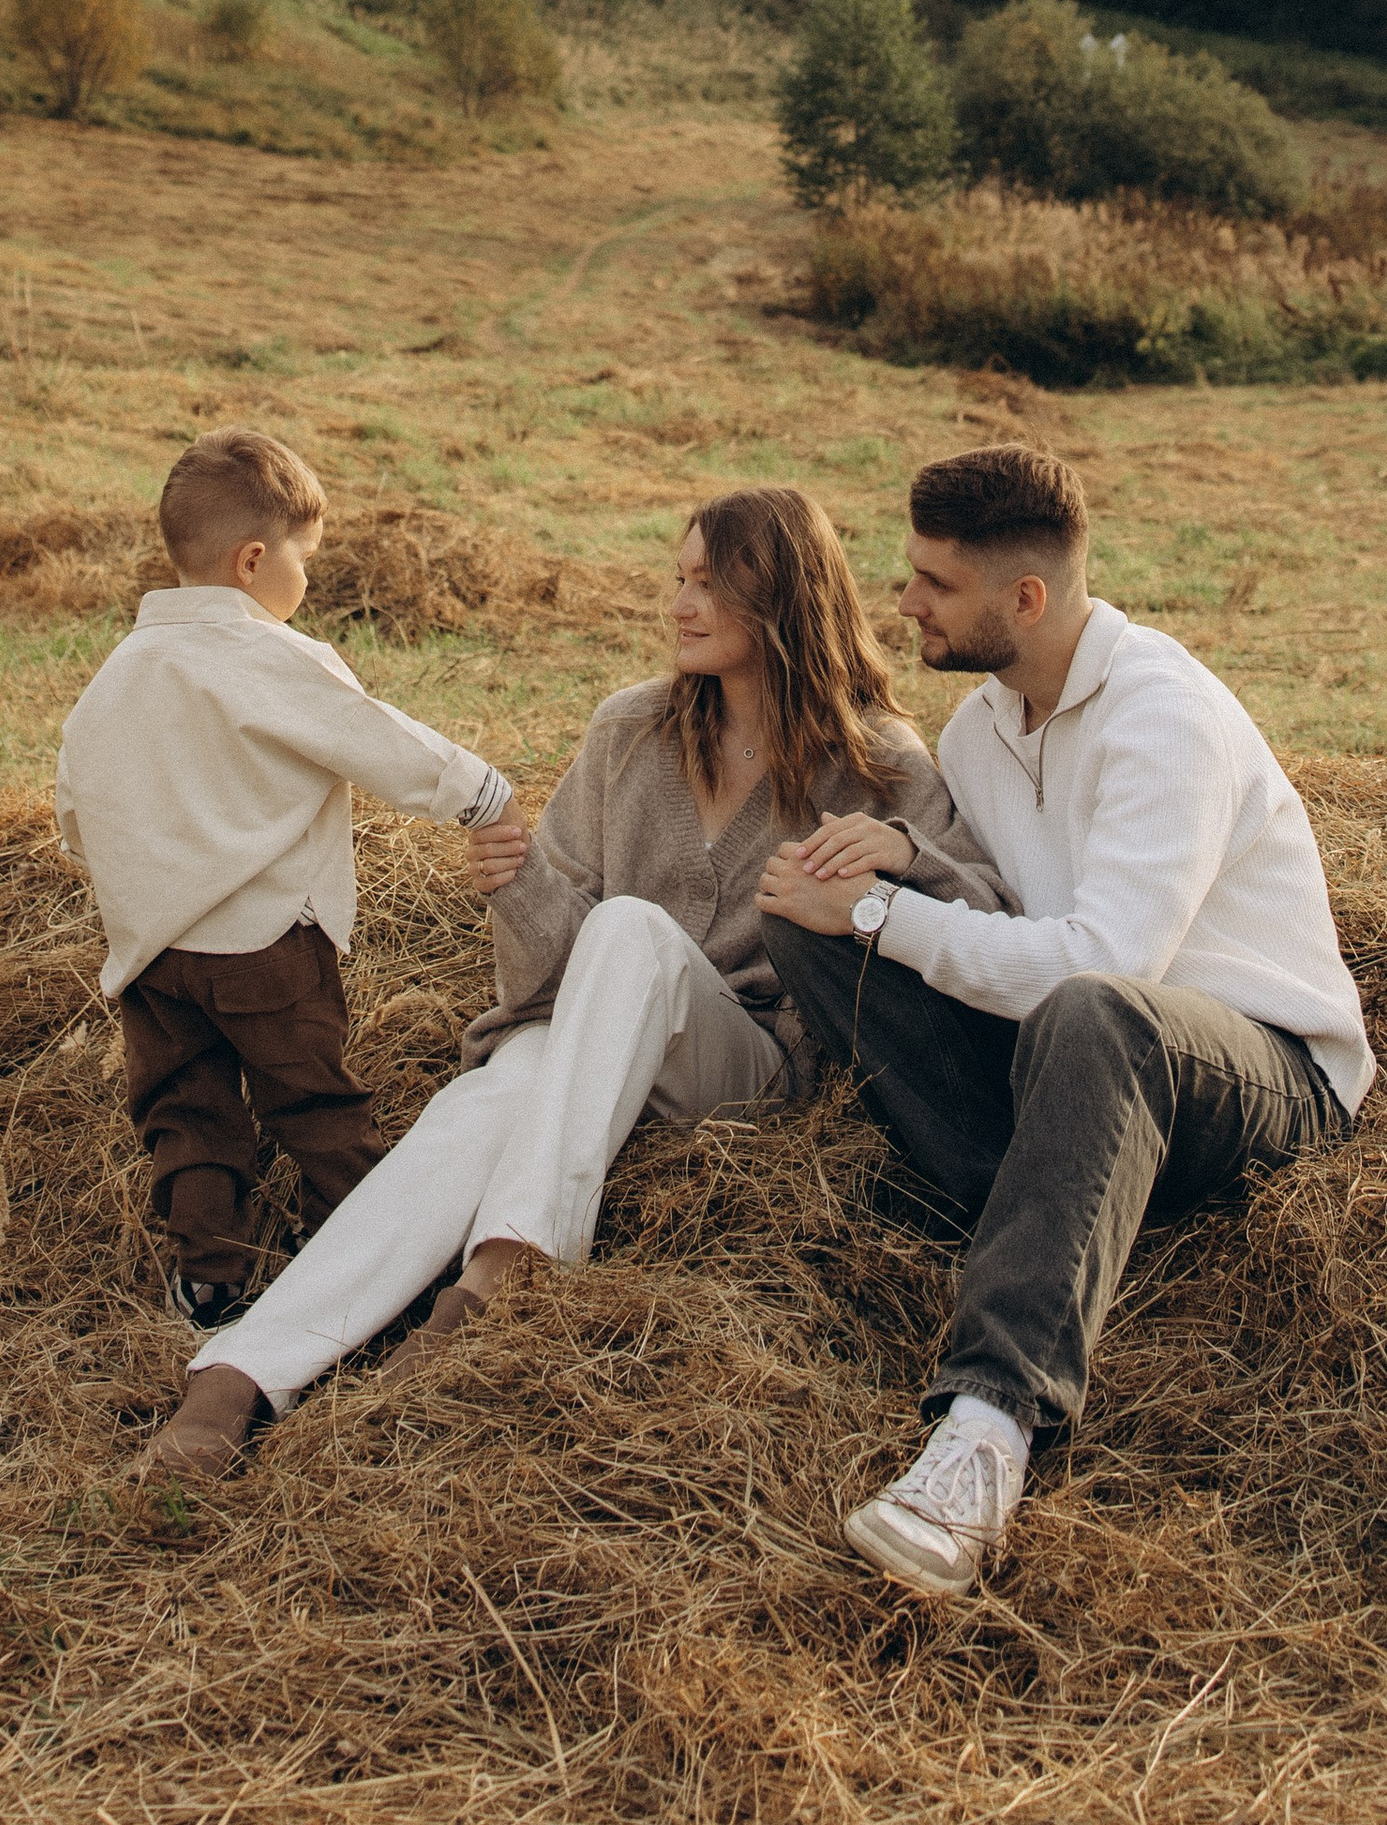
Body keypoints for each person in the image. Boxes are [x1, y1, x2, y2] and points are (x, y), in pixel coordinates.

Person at [143, 481, 1002, 1481]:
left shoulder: (878, 760)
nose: (680, 605)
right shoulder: (630, 731)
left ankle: (507, 1265)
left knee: (627, 939)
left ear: (787, 599)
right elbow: (553, 979)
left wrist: (895, 853)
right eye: (677, 579)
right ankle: (238, 1378)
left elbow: (979, 903)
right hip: (585, 1048)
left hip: (747, 1066)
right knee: (498, 1090)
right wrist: (520, 888)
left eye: (711, 585)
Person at [760, 441, 1373, 1600]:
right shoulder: (983, 731)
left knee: (1093, 1011)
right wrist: (906, 861)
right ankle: (1034, 1207)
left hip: (1255, 1070)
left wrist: (892, 912)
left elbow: (1103, 963)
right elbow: (999, 917)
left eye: (934, 583)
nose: (905, 604)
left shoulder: (1163, 715)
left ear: (1023, 599)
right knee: (814, 919)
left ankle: (987, 1433)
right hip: (1077, 1064)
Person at [56, 425, 524, 1332]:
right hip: (270, 943)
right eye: (306, 557)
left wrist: (130, 878)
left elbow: (75, 806)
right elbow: (377, 739)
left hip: (153, 956)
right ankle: (362, 1264)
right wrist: (481, 794)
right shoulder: (274, 657)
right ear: (254, 559)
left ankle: (212, 1280)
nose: (309, 578)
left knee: (186, 1113)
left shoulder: (116, 674)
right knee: (313, 1102)